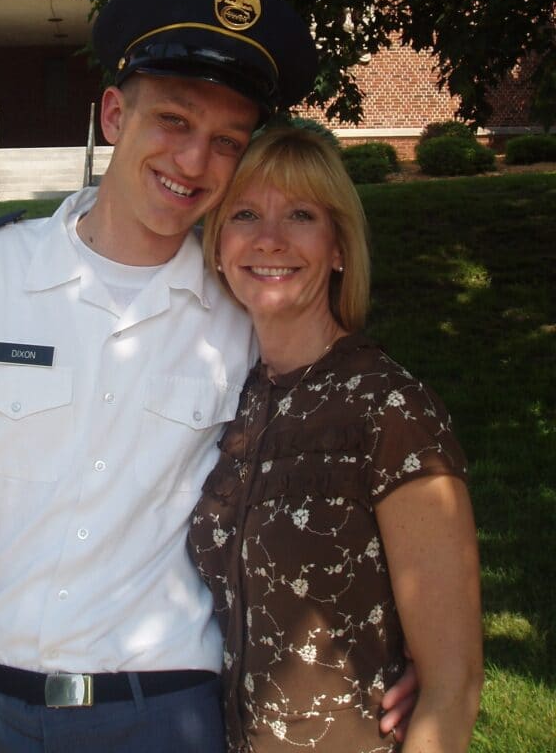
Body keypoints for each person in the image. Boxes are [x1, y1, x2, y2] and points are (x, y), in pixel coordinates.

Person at [0, 0, 415, 753]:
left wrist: (410, 647)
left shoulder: (245, 316)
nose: (194, 162)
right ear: (115, 114)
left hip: (166, 711)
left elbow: (338, 474)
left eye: (227, 142)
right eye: (174, 122)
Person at [187, 126, 484, 751]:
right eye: (245, 215)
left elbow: (453, 684)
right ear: (218, 248)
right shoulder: (229, 404)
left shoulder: (388, 409)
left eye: (300, 215)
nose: (269, 239)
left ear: (339, 248)